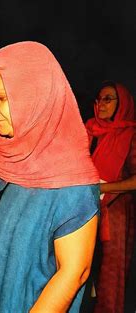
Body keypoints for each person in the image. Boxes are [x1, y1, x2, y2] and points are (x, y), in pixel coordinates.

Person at [0, 41, 101, 312]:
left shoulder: (71, 178)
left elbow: (74, 271)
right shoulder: (5, 154)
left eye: (2, 98)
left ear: (35, 97)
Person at [85, 81, 135, 313]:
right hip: (83, 209)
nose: (100, 104)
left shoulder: (131, 134)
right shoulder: (88, 129)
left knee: (108, 278)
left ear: (122, 103)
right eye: (98, 99)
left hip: (114, 214)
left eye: (108, 99)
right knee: (80, 271)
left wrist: (102, 189)